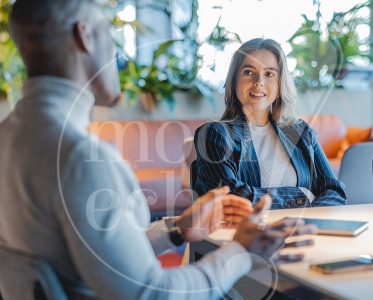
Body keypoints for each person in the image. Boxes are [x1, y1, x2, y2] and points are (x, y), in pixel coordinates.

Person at [0, 1, 318, 299]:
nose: (117, 52)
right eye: (109, 33)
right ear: (84, 36)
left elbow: (97, 255)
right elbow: (151, 293)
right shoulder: (81, 159)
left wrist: (176, 229)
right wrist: (242, 252)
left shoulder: (9, 137)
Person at [194, 38, 347, 209]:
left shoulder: (301, 132)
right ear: (234, 81)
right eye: (248, 72)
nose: (259, 81)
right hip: (245, 234)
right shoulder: (214, 134)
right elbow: (230, 198)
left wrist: (309, 219)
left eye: (269, 74)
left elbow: (335, 191)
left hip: (303, 230)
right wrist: (301, 196)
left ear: (280, 83)